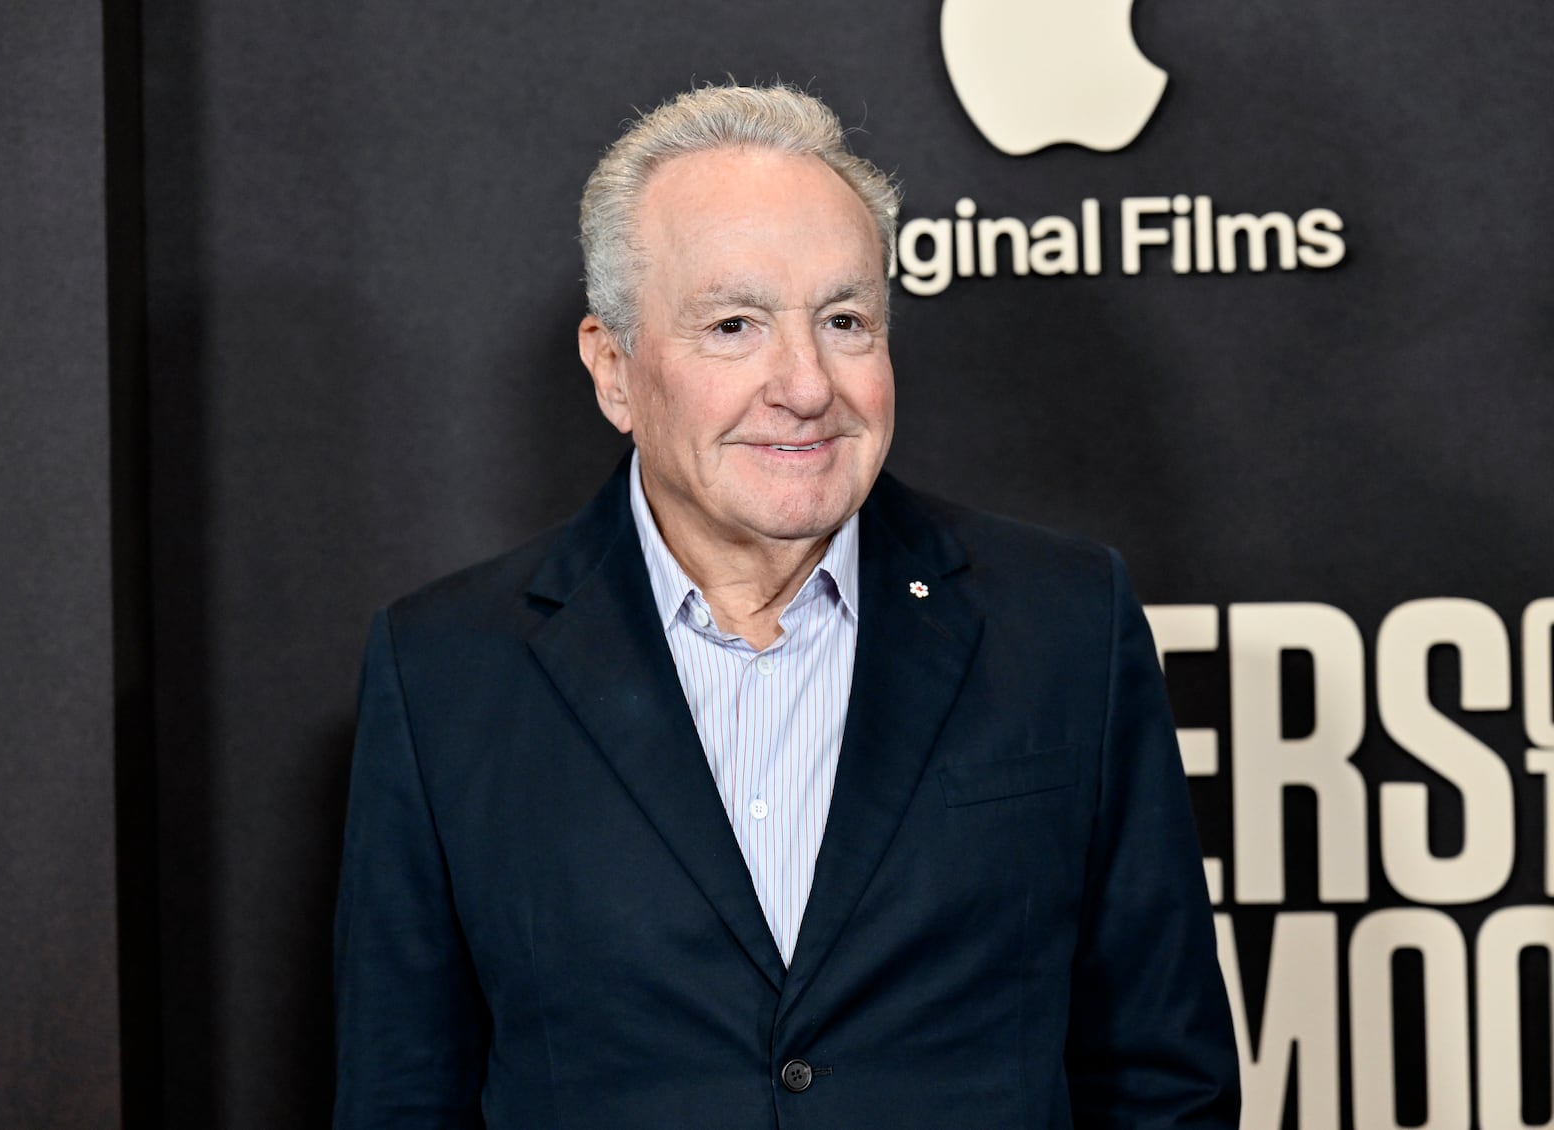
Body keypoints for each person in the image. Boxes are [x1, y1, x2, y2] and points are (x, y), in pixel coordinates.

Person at [334, 83, 1240, 1129]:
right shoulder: (447, 667)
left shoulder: (1063, 622)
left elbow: (1165, 1079)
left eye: (845, 320)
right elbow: (400, 1094)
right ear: (614, 369)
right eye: (734, 324)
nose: (806, 383)